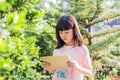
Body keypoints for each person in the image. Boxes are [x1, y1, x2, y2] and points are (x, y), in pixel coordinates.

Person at [42, 14, 92, 80]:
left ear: (74, 31)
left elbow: (90, 73)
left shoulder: (82, 49)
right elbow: (55, 71)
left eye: (67, 32)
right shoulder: (57, 50)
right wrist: (48, 67)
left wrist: (77, 67)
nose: (63, 35)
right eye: (61, 32)